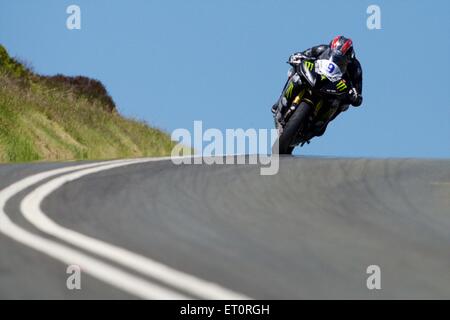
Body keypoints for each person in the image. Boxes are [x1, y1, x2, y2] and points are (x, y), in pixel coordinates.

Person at [272, 36, 363, 137]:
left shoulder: (355, 67)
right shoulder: (322, 49)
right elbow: (305, 54)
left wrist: (355, 96)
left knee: (344, 105)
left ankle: (322, 124)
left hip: (333, 86)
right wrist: (297, 57)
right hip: (316, 76)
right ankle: (279, 102)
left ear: (349, 56)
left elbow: (358, 90)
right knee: (294, 72)